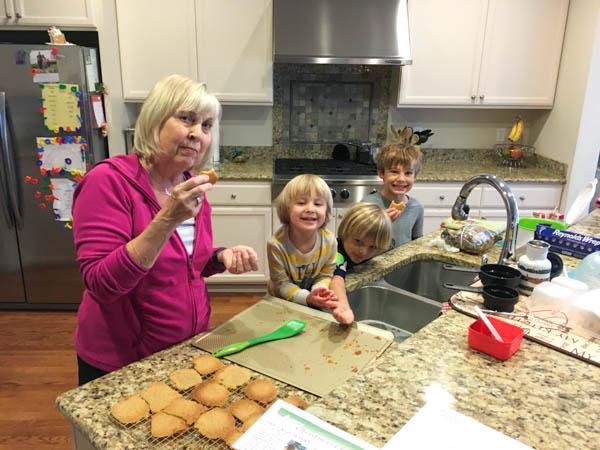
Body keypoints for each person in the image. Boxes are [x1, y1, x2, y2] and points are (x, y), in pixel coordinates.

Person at [71, 74, 259, 385]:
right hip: (122, 360)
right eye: (186, 119)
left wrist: (219, 257)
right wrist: (168, 218)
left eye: (206, 125)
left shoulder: (189, 185)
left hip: (184, 348)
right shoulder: (108, 182)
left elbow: (185, 263)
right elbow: (101, 283)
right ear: (156, 119)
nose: (196, 133)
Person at [267, 174, 341, 317]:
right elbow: (281, 284)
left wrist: (318, 291)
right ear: (286, 209)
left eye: (318, 204)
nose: (310, 209)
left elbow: (325, 275)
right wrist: (307, 298)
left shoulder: (330, 242)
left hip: (312, 302)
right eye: (301, 203)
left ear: (327, 211)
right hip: (281, 304)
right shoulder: (276, 246)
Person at [329, 203, 392, 324]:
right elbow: (336, 281)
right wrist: (344, 308)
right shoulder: (337, 254)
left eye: (372, 247)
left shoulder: (364, 249)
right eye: (358, 241)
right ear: (345, 232)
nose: (363, 251)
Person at [361, 141, 424, 248]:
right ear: (381, 173)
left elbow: (417, 243)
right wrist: (381, 224)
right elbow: (359, 240)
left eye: (408, 173)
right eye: (394, 171)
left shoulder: (417, 208)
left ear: (415, 177)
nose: (401, 179)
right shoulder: (367, 205)